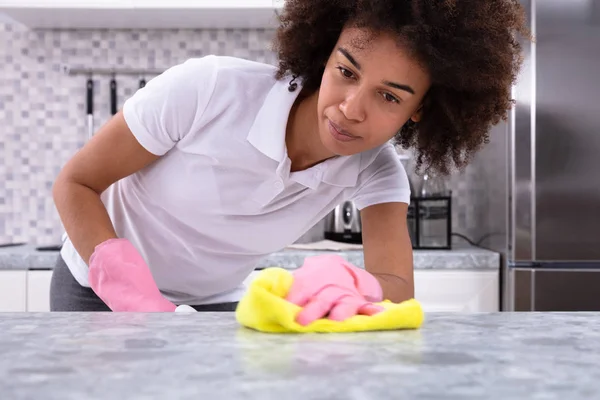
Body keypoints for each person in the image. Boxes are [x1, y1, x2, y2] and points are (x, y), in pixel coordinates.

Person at [49, 0, 529, 323]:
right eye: (345, 72)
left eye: (388, 96)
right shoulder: (208, 89)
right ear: (324, 55)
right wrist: (120, 278)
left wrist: (353, 282)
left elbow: (399, 286)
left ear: (418, 110)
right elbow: (76, 182)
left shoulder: (375, 170)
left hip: (218, 306)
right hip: (92, 286)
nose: (350, 108)